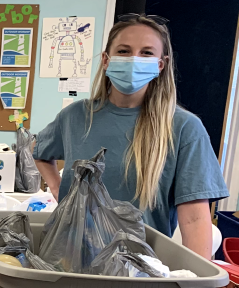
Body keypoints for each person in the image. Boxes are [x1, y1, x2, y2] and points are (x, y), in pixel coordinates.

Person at [34, 14, 227, 258]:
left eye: (146, 53)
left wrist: (195, 277)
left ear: (161, 64)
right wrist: (56, 187)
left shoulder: (184, 128)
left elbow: (195, 220)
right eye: (124, 51)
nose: (134, 59)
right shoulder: (75, 117)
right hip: (68, 260)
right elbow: (38, 150)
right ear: (106, 60)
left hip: (138, 269)